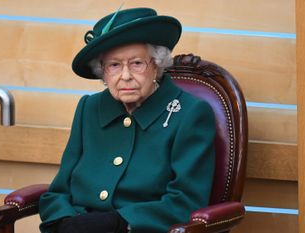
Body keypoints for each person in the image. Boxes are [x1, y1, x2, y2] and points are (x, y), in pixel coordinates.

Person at [39, 7, 216, 233]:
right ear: (102, 72)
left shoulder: (191, 113)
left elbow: (186, 202)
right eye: (114, 65)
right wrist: (63, 222)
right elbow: (58, 191)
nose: (125, 76)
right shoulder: (89, 108)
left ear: (157, 65)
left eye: (136, 63)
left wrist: (120, 223)